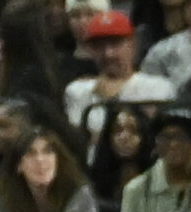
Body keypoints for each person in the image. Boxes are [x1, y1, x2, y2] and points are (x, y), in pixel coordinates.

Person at [65, 10, 173, 154]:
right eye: (99, 46)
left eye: (115, 44)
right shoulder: (77, 90)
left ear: (132, 44)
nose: (108, 53)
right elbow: (76, 142)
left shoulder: (158, 87)